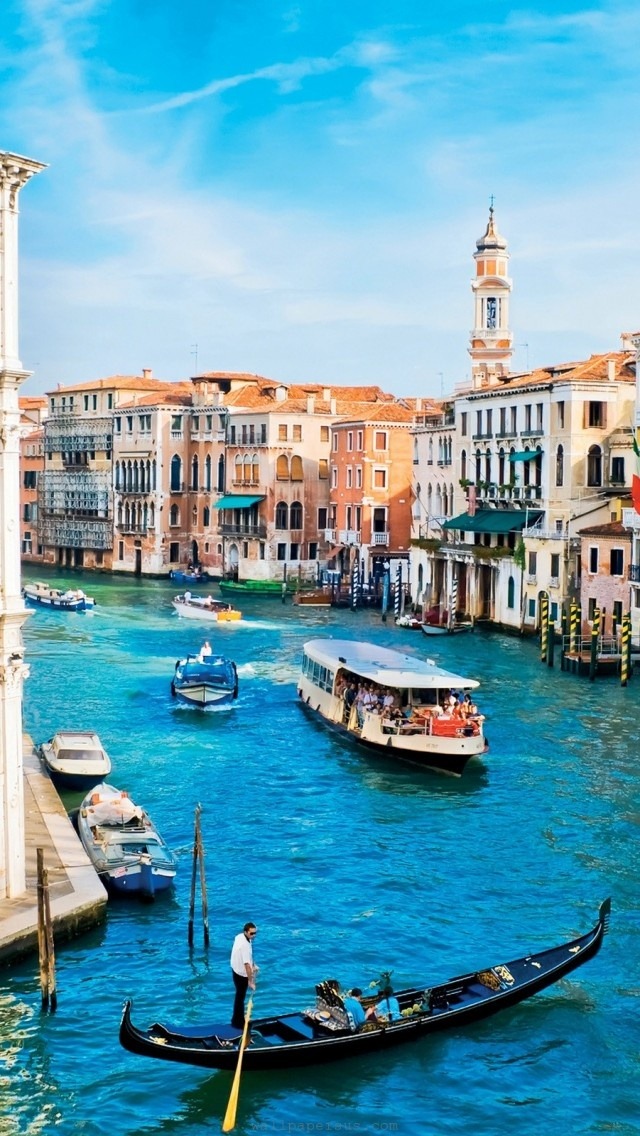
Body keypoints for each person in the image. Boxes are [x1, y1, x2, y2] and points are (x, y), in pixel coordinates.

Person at [230, 921, 259, 1029]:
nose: (254, 936)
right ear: (246, 932)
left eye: (255, 933)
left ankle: (236, 1020)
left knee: (238, 997)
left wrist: (254, 964)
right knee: (240, 998)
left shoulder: (240, 937)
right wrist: (250, 982)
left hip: (235, 969)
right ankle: (238, 1023)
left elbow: (248, 957)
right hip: (241, 974)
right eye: (251, 933)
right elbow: (246, 965)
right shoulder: (245, 945)